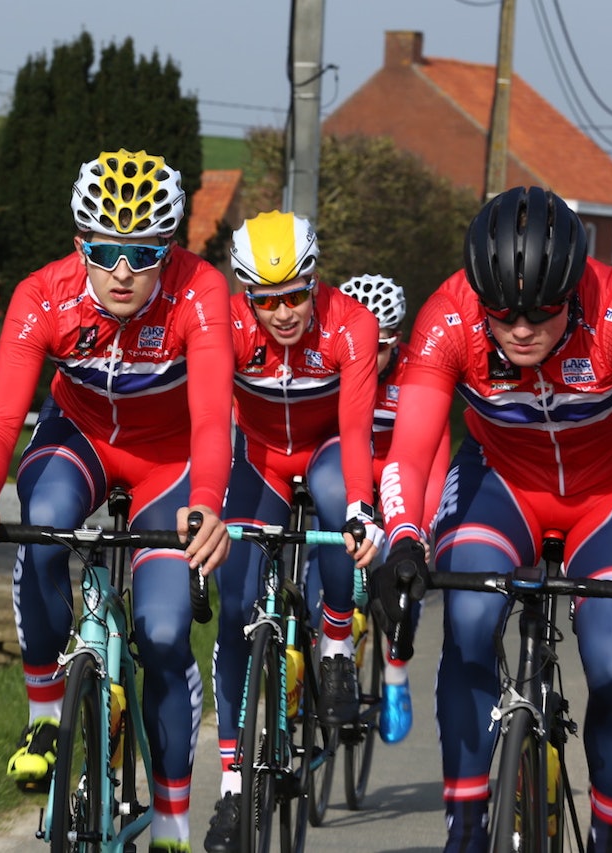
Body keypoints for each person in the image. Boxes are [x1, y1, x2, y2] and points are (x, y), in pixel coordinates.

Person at [371, 186, 612, 853]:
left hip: (609, 495)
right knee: (465, 625)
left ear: (573, 293)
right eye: (502, 314)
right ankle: (464, 827)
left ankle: (609, 835)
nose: (520, 330)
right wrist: (404, 539)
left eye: (540, 312)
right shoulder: (447, 315)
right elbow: (406, 452)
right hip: (502, 486)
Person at [0, 149, 233, 853]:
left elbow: (211, 418)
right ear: (81, 244)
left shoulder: (201, 292)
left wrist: (205, 501)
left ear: (169, 247)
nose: (124, 272)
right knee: (43, 522)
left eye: (143, 253)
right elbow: (3, 418)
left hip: (170, 460)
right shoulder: (43, 294)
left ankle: (170, 816)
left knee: (165, 634)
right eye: (105, 252)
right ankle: (46, 710)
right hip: (77, 437)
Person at [203, 211, 381, 852]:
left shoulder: (351, 324)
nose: (282, 313)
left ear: (316, 279)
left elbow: (358, 431)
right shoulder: (222, 322)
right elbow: (209, 420)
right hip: (260, 459)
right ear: (245, 294)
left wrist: (363, 508)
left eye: (296, 295)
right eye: (266, 300)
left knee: (338, 509)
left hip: (327, 448)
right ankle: (231, 786)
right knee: (232, 610)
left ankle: (334, 646)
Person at [333, 274, 453, 744]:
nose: (368, 357)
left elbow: (435, 456)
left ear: (396, 341)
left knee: (404, 574)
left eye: (379, 347)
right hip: (354, 477)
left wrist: (418, 529)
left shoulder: (417, 375)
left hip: (405, 479)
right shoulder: (336, 364)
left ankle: (397, 673)